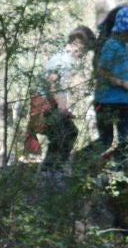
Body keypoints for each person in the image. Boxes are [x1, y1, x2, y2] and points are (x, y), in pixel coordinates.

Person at [33, 25, 96, 173]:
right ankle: (51, 172)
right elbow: (52, 81)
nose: (84, 54)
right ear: (78, 43)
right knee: (66, 133)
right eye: (85, 49)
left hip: (46, 102)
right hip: (45, 104)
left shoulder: (61, 57)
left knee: (63, 134)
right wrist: (61, 108)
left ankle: (51, 171)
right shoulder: (64, 59)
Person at [94, 7, 128, 158]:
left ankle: (116, 171)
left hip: (122, 100)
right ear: (126, 31)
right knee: (106, 140)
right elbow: (101, 70)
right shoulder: (112, 45)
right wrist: (122, 83)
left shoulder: (121, 46)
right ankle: (79, 163)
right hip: (109, 101)